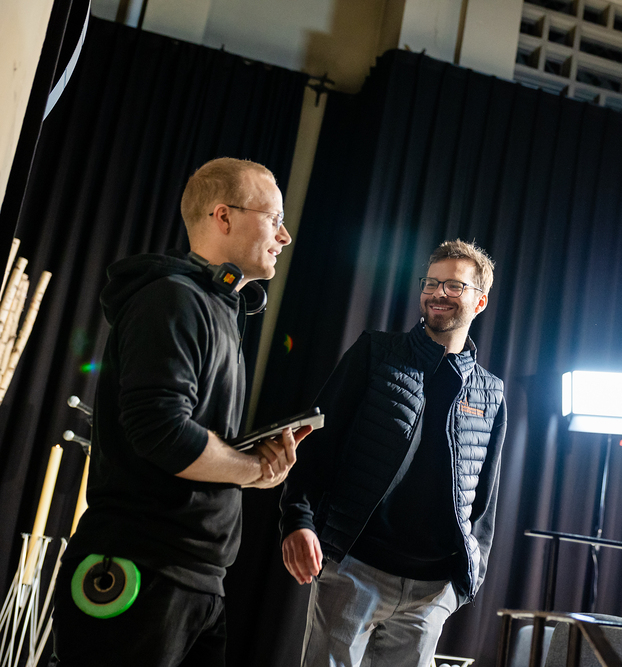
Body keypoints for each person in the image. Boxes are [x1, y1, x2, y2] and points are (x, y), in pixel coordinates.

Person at [51, 158, 311, 666]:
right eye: (274, 218)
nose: (284, 236)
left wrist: (255, 464)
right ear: (223, 216)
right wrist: (253, 470)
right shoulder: (172, 299)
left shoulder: (219, 308)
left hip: (198, 579)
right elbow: (163, 432)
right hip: (141, 570)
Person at [280, 239, 507, 667]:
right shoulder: (375, 352)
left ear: (480, 301)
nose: (438, 293)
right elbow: (317, 446)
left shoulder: (491, 392)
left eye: (454, 286)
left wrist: (465, 582)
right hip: (354, 569)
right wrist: (297, 519)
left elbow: (484, 504)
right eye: (431, 283)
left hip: (431, 591)